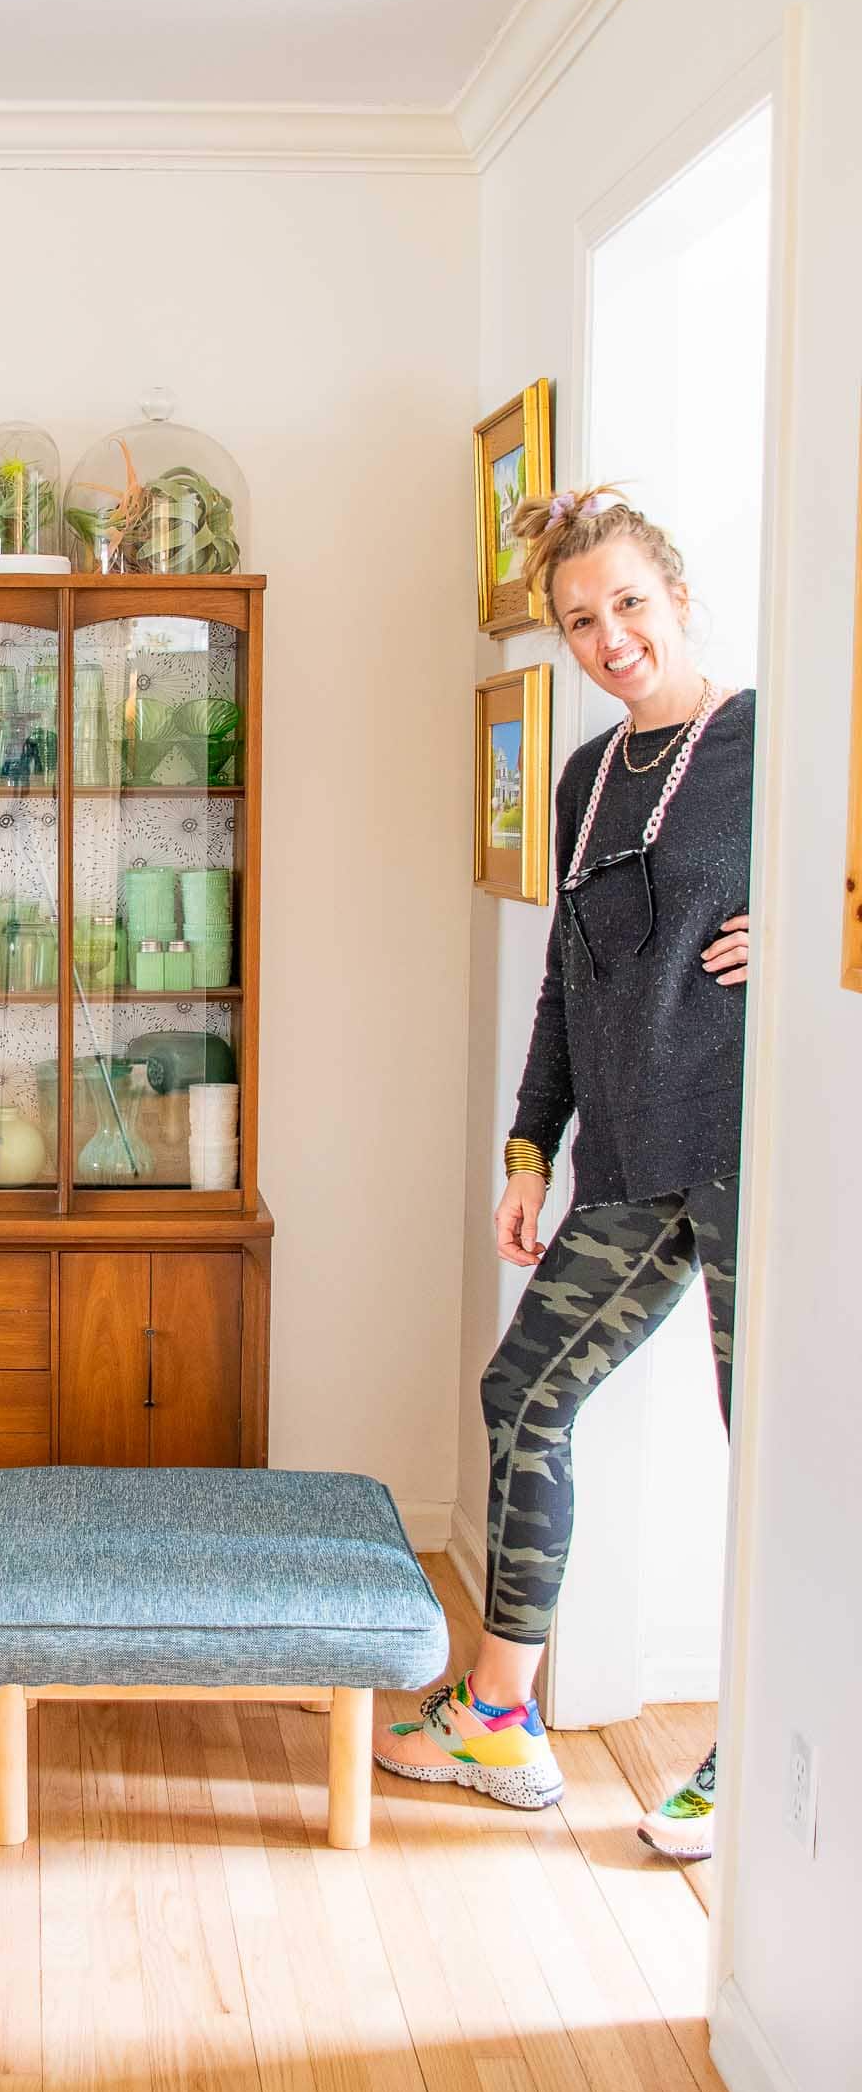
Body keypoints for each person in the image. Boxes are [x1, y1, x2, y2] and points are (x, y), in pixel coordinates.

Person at [375, 486, 753, 1863]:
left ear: (681, 597)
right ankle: (498, 1719)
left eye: (631, 607)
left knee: (768, 1454)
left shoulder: (782, 738)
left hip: (755, 1150)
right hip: (633, 1158)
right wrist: (532, 1146)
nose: (611, 639)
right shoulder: (586, 776)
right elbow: (567, 982)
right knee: (523, 1393)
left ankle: (762, 1753)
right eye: (583, 620)